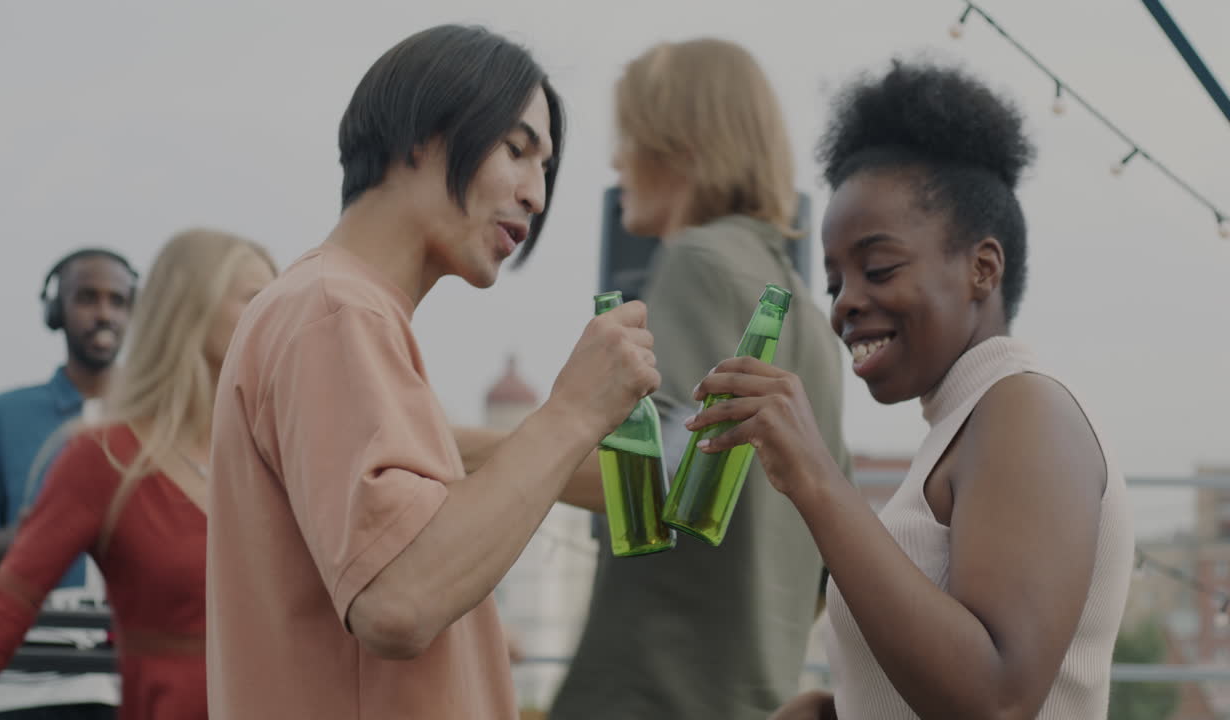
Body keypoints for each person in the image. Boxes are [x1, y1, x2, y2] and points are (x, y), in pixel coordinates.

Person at [206, 24, 659, 720]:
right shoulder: (335, 312)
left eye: (544, 168)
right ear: (420, 134)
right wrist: (572, 411)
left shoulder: (335, 309)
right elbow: (397, 598)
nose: (536, 196)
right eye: (517, 150)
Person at [679, 60, 1134, 719]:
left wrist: (815, 478)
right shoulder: (962, 427)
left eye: (879, 267)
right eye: (834, 282)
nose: (845, 302)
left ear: (982, 268)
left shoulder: (1025, 407)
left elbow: (998, 700)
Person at [546, 38, 852, 720]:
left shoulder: (698, 261)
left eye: (630, 135)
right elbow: (826, 560)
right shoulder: (807, 317)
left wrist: (454, 447)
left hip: (649, 700)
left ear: (681, 148)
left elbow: (652, 478)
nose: (616, 161)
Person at [0, 229, 277, 720]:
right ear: (190, 309)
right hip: (69, 690)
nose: (277, 313)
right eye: (255, 297)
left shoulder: (279, 451)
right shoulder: (100, 455)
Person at [0, 247, 137, 719]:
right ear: (55, 310)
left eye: (118, 301)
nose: (104, 314)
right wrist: (40, 532)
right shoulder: (5, 414)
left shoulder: (159, 418)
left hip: (135, 669)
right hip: (34, 678)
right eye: (87, 298)